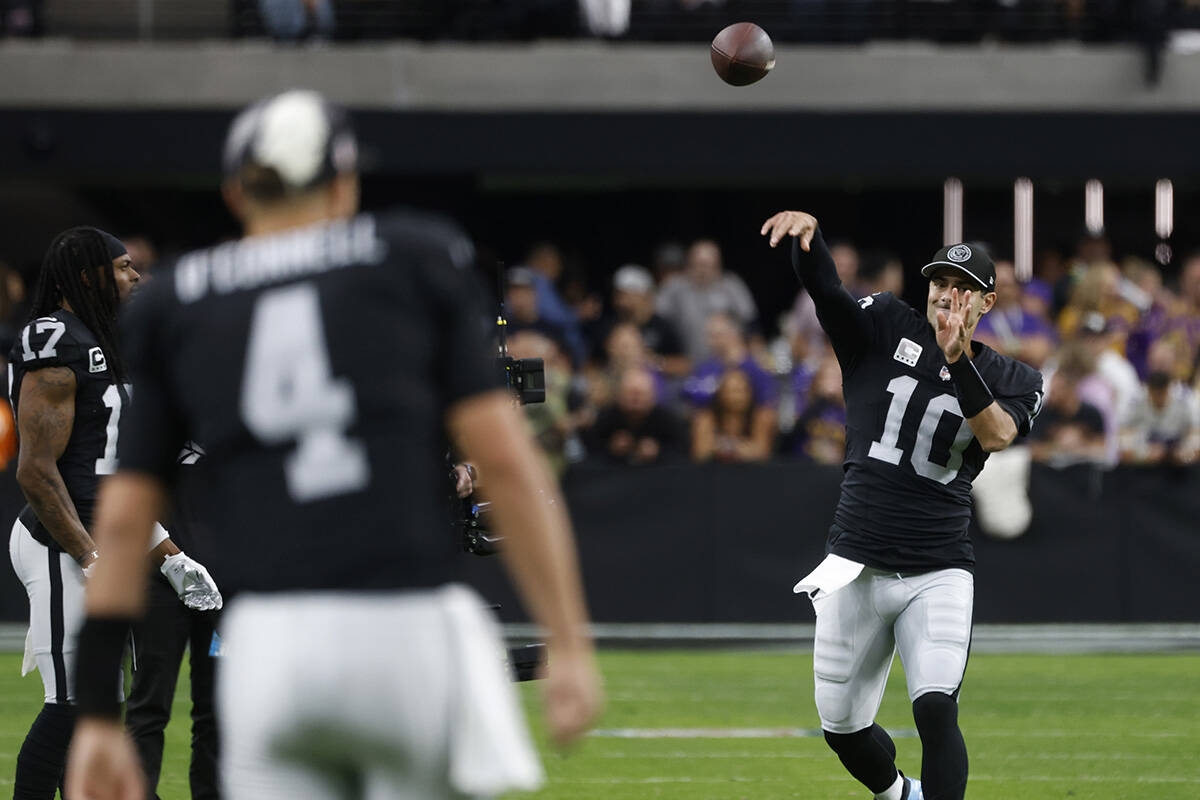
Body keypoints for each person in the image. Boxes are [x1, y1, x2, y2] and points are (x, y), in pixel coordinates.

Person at [66, 89, 602, 800]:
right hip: (403, 629)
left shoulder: (178, 302)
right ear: (344, 182)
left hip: (269, 644)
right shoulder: (411, 255)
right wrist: (568, 638)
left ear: (235, 192)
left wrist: (100, 715)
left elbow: (126, 519)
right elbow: (503, 459)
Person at [761, 210, 1043, 800]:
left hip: (936, 566)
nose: (949, 295)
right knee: (842, 728)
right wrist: (809, 246)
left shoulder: (1012, 375)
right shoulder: (888, 323)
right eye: (942, 283)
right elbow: (830, 296)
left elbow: (995, 435)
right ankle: (900, 795)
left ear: (986, 303)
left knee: (936, 709)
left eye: (964, 288)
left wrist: (959, 360)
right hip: (855, 563)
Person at [8, 227, 220, 800]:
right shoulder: (56, 340)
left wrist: (169, 557)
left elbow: (108, 479)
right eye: (125, 267)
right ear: (89, 276)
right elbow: (38, 473)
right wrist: (91, 554)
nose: (137, 277)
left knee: (101, 705)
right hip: (57, 537)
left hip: (99, 526)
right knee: (73, 703)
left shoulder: (116, 341)